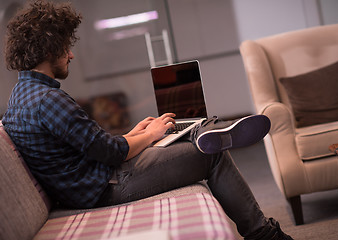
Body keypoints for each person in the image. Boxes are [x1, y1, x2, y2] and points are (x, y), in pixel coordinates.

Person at [1, 1, 293, 239]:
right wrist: (148, 136)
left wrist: (135, 133)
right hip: (105, 187)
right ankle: (265, 235)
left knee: (168, 133)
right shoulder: (49, 100)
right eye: (66, 48)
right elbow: (111, 153)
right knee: (210, 156)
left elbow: (89, 146)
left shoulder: (21, 96)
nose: (72, 54)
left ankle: (201, 130)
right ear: (50, 50)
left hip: (91, 181)